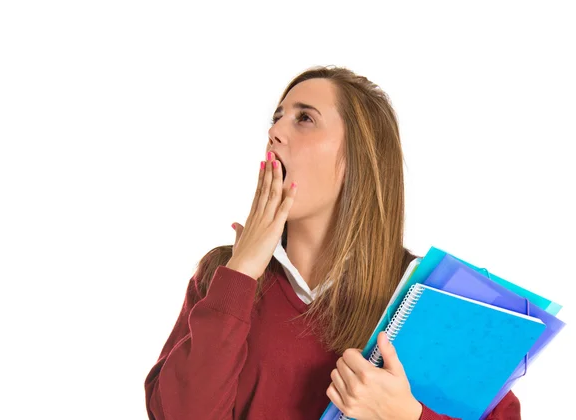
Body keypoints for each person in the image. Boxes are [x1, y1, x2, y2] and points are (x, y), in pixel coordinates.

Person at [144, 66, 521, 419]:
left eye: (304, 118)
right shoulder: (223, 277)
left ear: (357, 157)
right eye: (276, 117)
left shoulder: (431, 296)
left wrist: (408, 416)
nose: (274, 132)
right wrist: (242, 271)